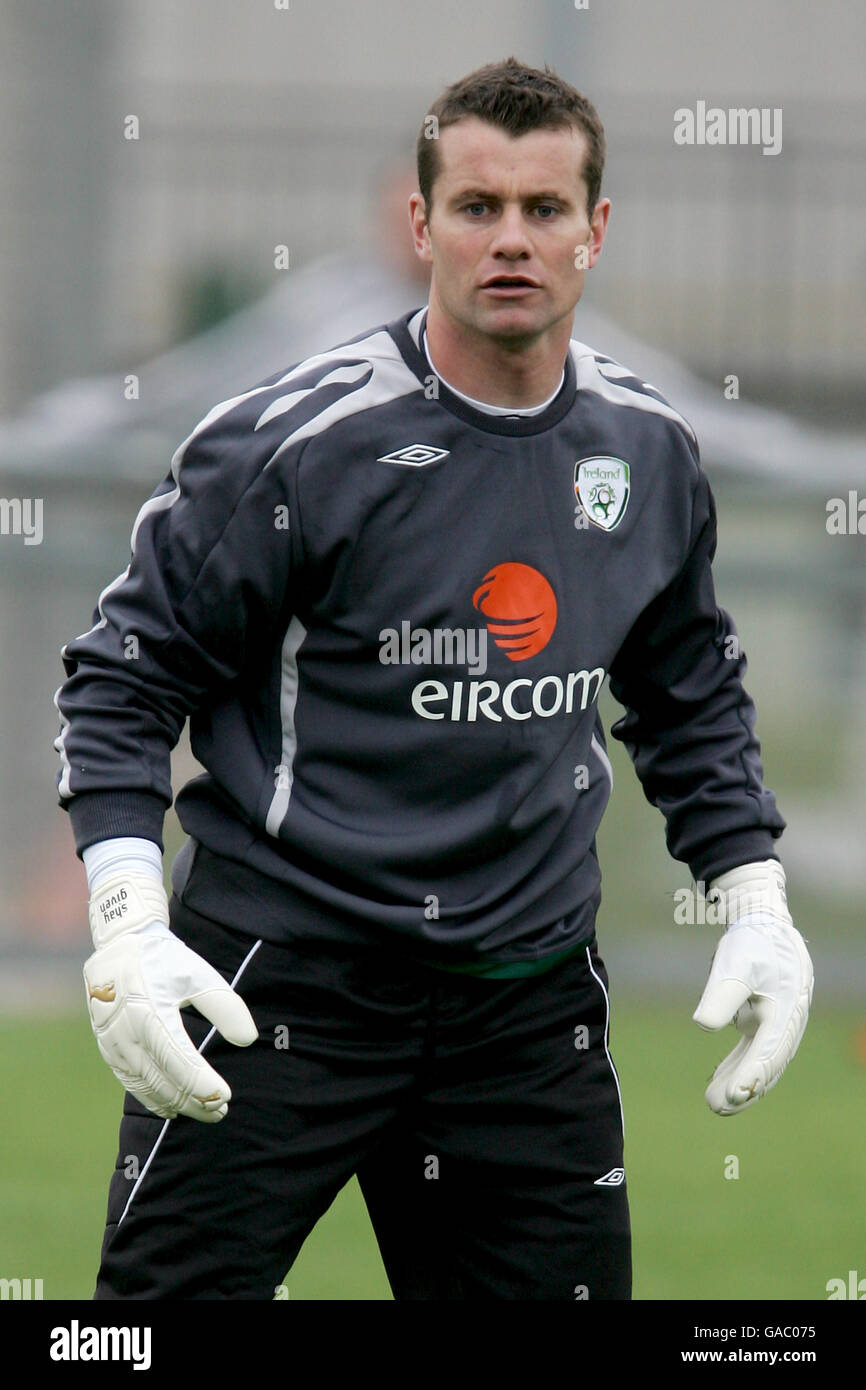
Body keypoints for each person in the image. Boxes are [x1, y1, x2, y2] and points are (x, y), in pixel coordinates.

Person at [54, 56, 813, 1301]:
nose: (508, 238)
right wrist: (131, 925)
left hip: (521, 999)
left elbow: (686, 691)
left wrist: (753, 893)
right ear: (421, 227)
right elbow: (119, 678)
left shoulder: (647, 452)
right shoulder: (293, 446)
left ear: (593, 230)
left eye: (542, 208)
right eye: (475, 207)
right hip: (276, 980)